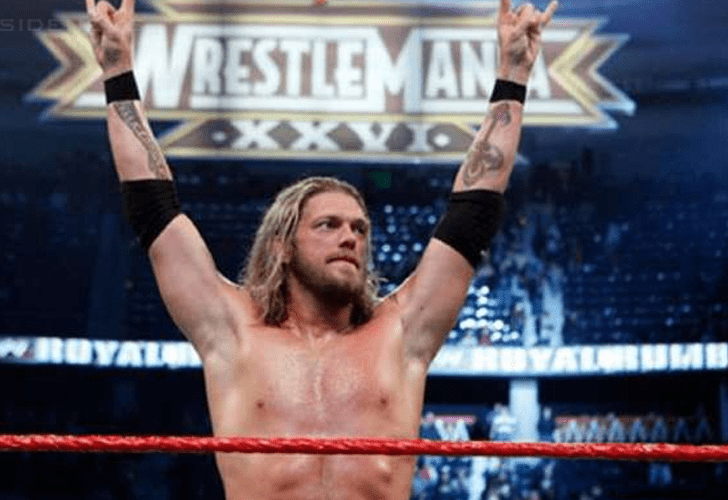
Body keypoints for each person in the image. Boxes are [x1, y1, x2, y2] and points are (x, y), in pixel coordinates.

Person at [85, 0, 558, 498]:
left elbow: (472, 216)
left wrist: (513, 75)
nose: (350, 237)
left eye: (359, 228)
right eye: (328, 225)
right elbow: (153, 209)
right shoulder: (232, 329)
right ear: (283, 246)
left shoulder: (401, 330)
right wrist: (117, 70)